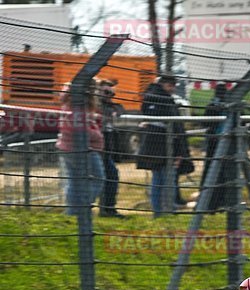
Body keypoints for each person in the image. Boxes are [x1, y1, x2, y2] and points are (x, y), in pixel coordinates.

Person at [136, 74, 189, 216]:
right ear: (165, 84)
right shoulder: (164, 100)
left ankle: (160, 210)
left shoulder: (149, 97)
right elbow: (174, 125)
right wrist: (179, 150)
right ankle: (165, 210)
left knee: (158, 178)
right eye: (171, 86)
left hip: (152, 145)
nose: (172, 89)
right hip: (164, 145)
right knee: (165, 179)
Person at [57, 81, 106, 216]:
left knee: (75, 181)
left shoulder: (71, 102)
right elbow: (77, 128)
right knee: (98, 178)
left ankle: (73, 211)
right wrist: (96, 134)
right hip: (81, 148)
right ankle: (81, 208)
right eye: (95, 90)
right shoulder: (77, 104)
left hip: (69, 147)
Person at [197, 83, 236, 212]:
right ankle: (222, 201)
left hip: (213, 142)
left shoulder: (212, 105)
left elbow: (205, 122)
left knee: (210, 171)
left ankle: (208, 202)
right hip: (226, 142)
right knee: (225, 172)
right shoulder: (230, 105)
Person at [97, 79, 125, 217]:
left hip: (107, 149)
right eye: (106, 92)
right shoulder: (95, 105)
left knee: (112, 176)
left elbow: (120, 109)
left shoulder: (111, 106)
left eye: (111, 93)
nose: (109, 96)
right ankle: (104, 208)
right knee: (104, 177)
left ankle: (108, 208)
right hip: (96, 148)